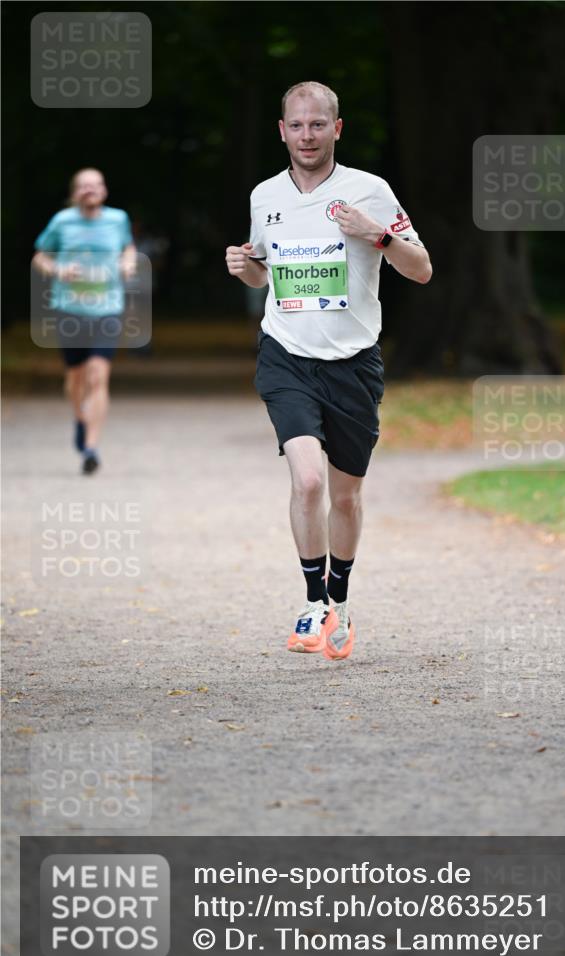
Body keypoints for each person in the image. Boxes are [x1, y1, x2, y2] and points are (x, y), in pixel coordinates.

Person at [226, 81, 431, 659]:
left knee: (344, 496)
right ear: (282, 130)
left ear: (336, 129)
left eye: (319, 124)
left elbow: (421, 269)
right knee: (308, 479)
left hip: (353, 365)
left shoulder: (371, 190)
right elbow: (264, 274)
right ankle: (313, 602)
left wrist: (380, 234)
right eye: (297, 125)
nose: (307, 135)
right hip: (286, 355)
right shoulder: (265, 194)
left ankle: (338, 600)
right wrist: (243, 266)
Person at [33, 168, 136, 474]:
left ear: (104, 190)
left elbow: (128, 246)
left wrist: (128, 262)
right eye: (83, 186)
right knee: (76, 378)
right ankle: (81, 418)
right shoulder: (62, 221)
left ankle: (91, 447)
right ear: (74, 192)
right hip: (70, 309)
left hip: (107, 309)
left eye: (95, 185)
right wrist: (57, 270)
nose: (90, 190)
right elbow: (40, 256)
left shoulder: (118, 219)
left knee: (97, 376)